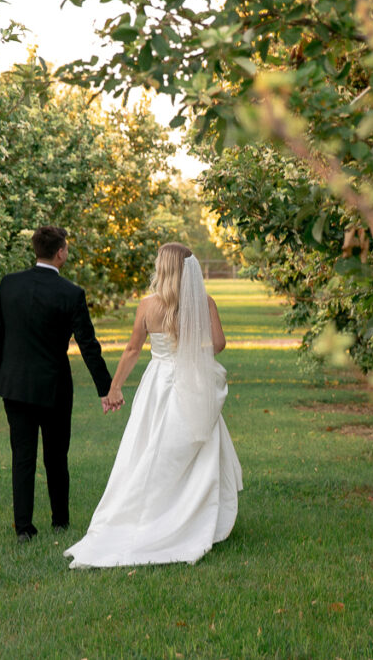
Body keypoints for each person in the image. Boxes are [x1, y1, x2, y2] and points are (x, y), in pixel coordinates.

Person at [65, 242, 243, 568]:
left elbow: (133, 349)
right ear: (189, 269)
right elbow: (218, 344)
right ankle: (191, 513)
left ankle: (146, 513)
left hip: (157, 384)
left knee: (150, 447)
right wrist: (190, 347)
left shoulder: (147, 305)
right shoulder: (204, 302)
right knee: (192, 448)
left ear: (162, 268)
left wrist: (114, 388)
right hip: (193, 382)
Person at [0, 226, 117, 544]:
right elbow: (88, 344)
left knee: (22, 455)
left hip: (15, 385)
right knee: (56, 456)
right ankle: (60, 521)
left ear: (36, 250)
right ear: (60, 252)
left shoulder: (8, 284)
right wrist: (106, 388)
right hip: (54, 386)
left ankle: (24, 529)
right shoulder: (71, 293)